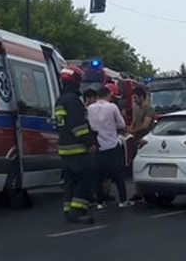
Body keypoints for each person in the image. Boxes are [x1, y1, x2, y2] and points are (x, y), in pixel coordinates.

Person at [55, 65, 98, 224]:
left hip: (64, 149)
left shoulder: (60, 100)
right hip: (77, 149)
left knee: (70, 181)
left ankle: (68, 210)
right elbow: (78, 126)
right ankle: (77, 211)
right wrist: (90, 141)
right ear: (76, 81)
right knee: (85, 178)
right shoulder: (74, 101)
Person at [85, 86, 133, 209]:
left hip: (98, 146)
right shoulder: (112, 107)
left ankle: (100, 202)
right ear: (108, 95)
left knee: (98, 177)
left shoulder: (90, 108)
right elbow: (121, 124)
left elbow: (91, 125)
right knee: (118, 175)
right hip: (112, 145)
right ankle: (123, 201)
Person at [128, 85, 155, 202]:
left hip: (145, 141)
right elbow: (134, 122)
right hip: (136, 140)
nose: (134, 100)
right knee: (136, 166)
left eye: (135, 98)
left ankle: (149, 190)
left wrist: (132, 131)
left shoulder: (148, 109)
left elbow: (145, 126)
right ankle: (138, 191)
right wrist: (128, 130)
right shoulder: (135, 108)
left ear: (142, 97)